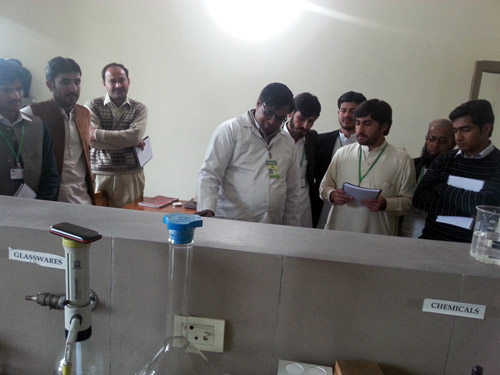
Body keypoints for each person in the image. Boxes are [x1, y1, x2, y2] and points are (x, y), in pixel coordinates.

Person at [196, 82, 301, 226]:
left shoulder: (288, 142)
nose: (272, 121)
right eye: (269, 113)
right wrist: (206, 212)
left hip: (272, 226)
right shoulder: (231, 130)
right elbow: (209, 174)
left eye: (280, 118)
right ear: (259, 103)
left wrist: (291, 229)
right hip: (231, 222)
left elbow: (292, 190)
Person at [319, 99, 415, 235]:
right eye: (357, 123)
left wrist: (385, 204)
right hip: (338, 232)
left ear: (384, 127)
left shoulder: (402, 159)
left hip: (377, 236)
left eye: (367, 124)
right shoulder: (343, 153)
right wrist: (332, 194)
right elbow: (324, 187)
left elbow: (408, 203)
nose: (360, 130)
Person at [413, 99, 500, 243]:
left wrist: (440, 187)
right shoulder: (445, 159)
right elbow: (420, 198)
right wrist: (469, 211)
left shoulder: (497, 163)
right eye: (455, 130)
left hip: (470, 249)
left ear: (486, 129)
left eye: (465, 130)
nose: (458, 137)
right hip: (430, 240)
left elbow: (485, 205)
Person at [21, 57, 94, 204]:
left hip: (85, 202)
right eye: (65, 82)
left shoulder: (85, 113)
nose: (73, 88)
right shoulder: (31, 114)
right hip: (51, 203)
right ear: (50, 84)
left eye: (77, 82)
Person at [85, 63, 148, 207]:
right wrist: (127, 141)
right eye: (112, 81)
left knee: (130, 222)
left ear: (128, 81)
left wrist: (97, 133)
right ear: (104, 84)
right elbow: (92, 142)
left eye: (122, 80)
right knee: (98, 222)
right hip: (99, 175)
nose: (118, 85)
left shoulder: (139, 108)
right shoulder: (92, 106)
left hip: (131, 176)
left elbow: (135, 136)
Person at [0, 59, 59, 199]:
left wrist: (38, 208)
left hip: (33, 212)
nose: (15, 96)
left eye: (19, 89)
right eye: (6, 90)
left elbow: (50, 175)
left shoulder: (38, 126)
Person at [315, 91, 367, 228]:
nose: (347, 115)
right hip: (323, 208)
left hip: (357, 211)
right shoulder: (320, 141)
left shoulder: (369, 146)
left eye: (352, 111)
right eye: (343, 110)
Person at [399, 119, 455, 237]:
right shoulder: (412, 164)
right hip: (404, 226)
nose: (435, 145)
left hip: (433, 231)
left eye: (443, 141)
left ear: (453, 144)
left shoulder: (454, 174)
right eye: (431, 139)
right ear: (426, 139)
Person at [283, 92, 321, 227]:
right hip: (279, 198)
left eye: (311, 121)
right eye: (301, 118)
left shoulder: (312, 138)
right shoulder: (275, 137)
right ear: (290, 113)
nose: (305, 125)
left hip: (304, 201)